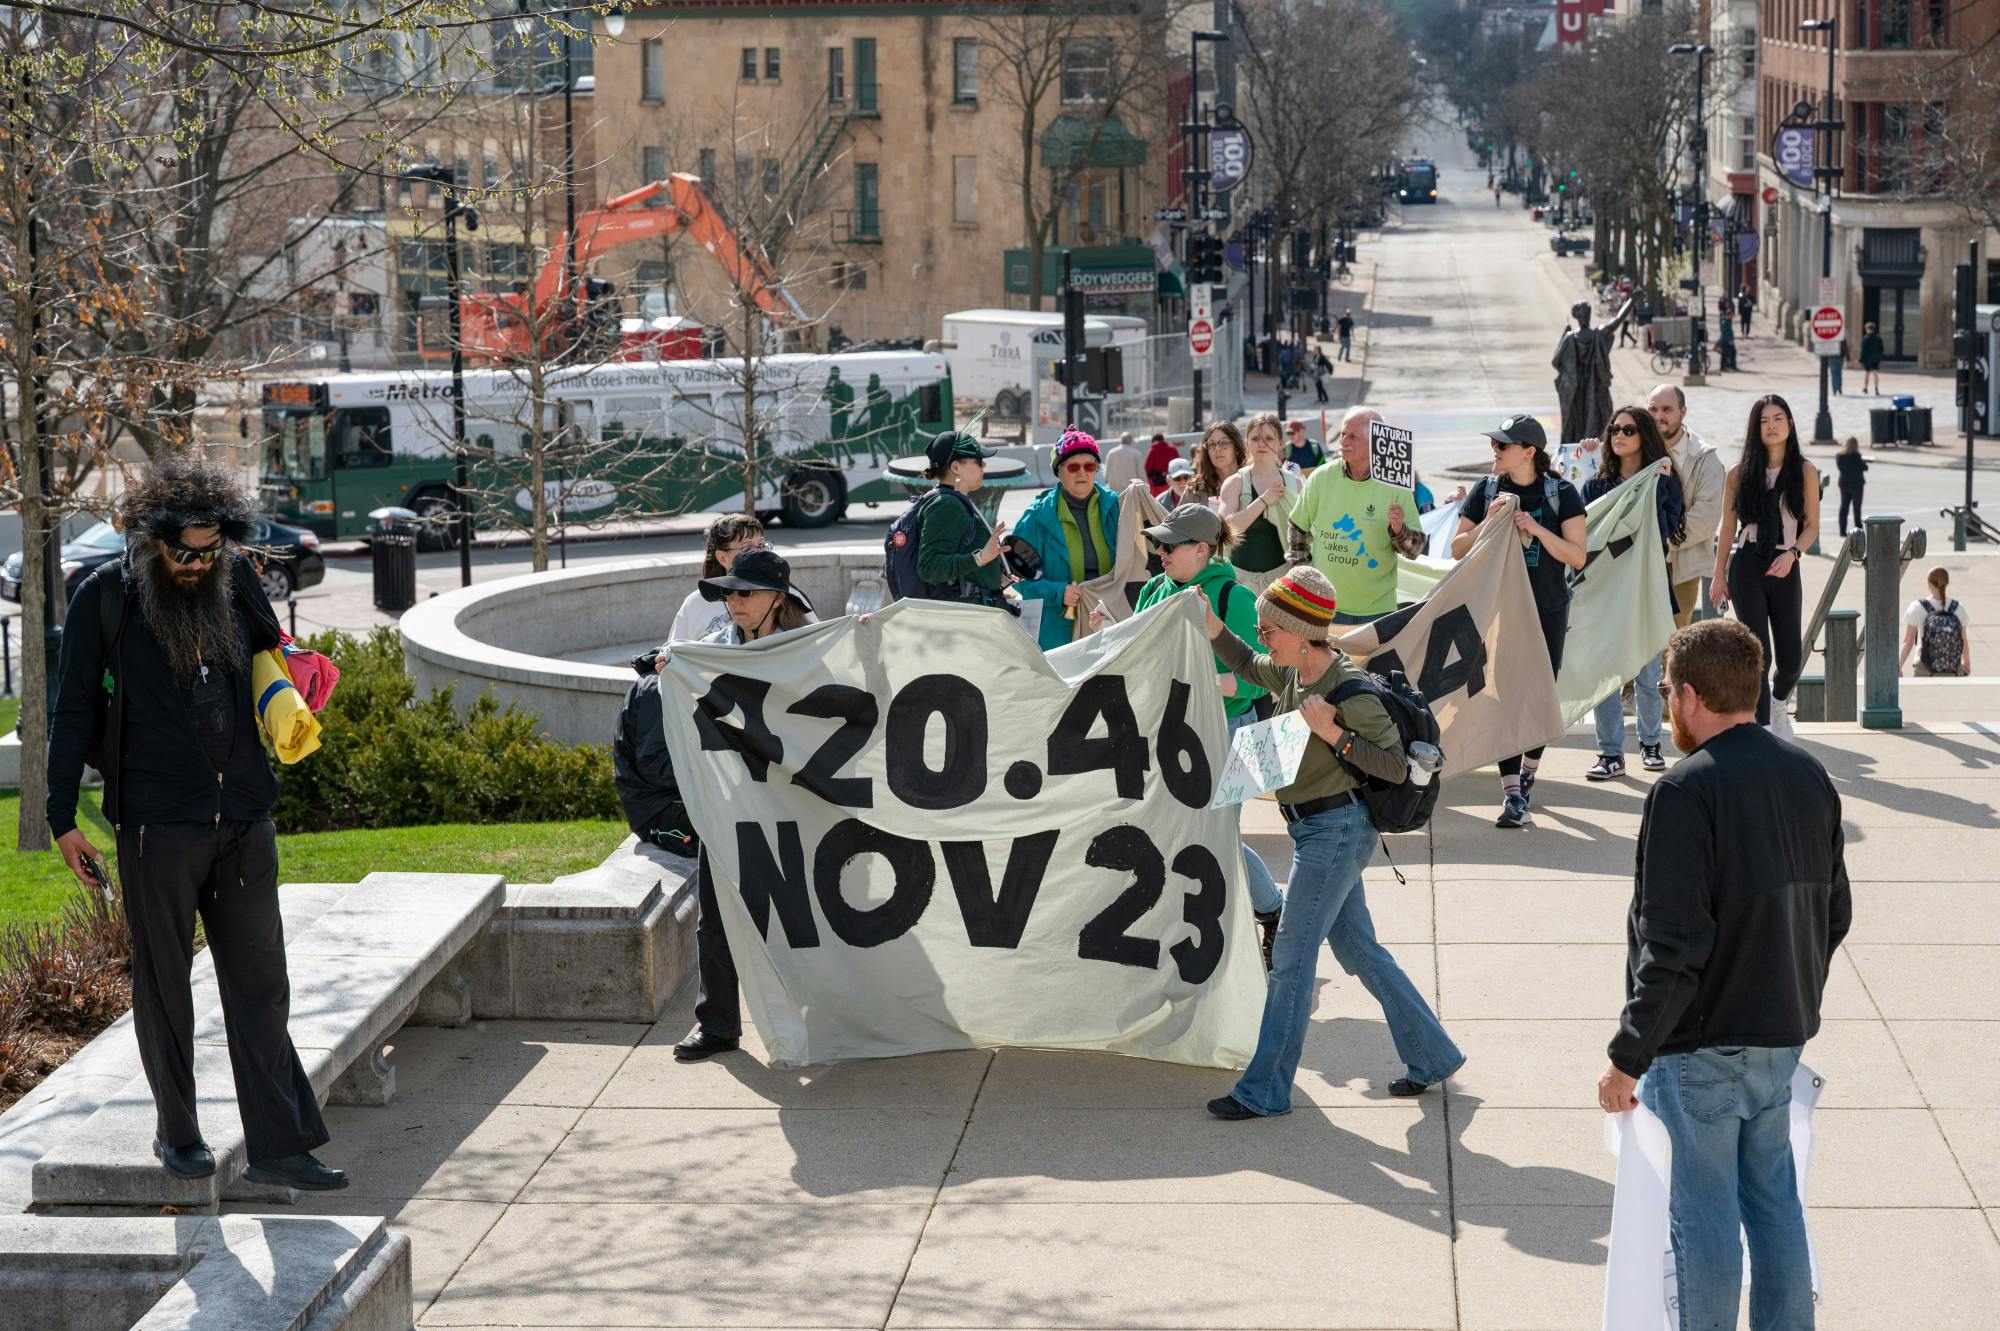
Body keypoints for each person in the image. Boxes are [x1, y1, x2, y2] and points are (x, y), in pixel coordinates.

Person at [47, 454, 345, 1192]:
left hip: (242, 812)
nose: (197, 565)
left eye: (211, 551)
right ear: (153, 540)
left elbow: (273, 656)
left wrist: (298, 681)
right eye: (185, 552)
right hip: (156, 824)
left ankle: (281, 1145)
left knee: (261, 983)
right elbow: (72, 708)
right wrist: (62, 816)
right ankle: (178, 1133)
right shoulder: (104, 598)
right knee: (165, 987)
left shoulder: (234, 579)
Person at [1597, 617, 1849, 1331]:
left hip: (1704, 1047)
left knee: (1705, 1222)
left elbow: (1672, 944)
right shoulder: (1808, 773)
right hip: (1781, 1036)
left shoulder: (1685, 790)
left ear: (1688, 695)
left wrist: (1626, 1056)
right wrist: (1792, 990)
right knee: (1775, 1209)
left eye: (1667, 692)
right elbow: (1834, 912)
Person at [1202, 566, 1464, 1118]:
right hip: (1313, 829)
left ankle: (1265, 1091)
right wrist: (1213, 628)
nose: (1262, 636)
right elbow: (1247, 665)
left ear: (1301, 632)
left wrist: (1334, 734)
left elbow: (1395, 766)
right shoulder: (1296, 672)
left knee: (1291, 960)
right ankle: (1433, 1056)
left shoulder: (1349, 691)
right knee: (1359, 950)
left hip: (1336, 832)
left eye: (1269, 628)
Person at [668, 547, 816, 1062]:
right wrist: (668, 665)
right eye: (728, 593)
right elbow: (680, 673)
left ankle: (821, 1018)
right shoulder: (713, 648)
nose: (734, 602)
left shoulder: (808, 645)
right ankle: (717, 1025)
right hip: (728, 802)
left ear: (778, 597)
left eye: (746, 593)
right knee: (715, 916)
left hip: (795, 804)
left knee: (806, 913)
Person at [1124, 505, 1286, 965]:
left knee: (1218, 837)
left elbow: (1263, 678)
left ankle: (1273, 912)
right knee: (1179, 834)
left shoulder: (1234, 597)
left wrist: (1208, 683)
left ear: (1200, 549)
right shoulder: (1155, 589)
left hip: (1230, 731)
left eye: (1169, 545)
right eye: (1158, 544)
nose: (1160, 552)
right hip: (1170, 729)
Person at [1453, 414, 1588, 828]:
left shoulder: (1561, 493)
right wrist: (1489, 523)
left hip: (1547, 608)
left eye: (1503, 445)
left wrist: (1535, 529)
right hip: (1499, 609)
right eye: (1494, 443)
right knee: (1503, 697)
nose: (1494, 450)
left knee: (1539, 697)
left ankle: (1528, 773)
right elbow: (1457, 548)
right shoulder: (1486, 490)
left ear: (1529, 452)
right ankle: (1513, 793)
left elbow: (1577, 556)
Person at [1577, 407, 1685, 780]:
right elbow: (1586, 533)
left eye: (1628, 429)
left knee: (1647, 673)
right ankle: (1610, 753)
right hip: (1606, 590)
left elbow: (1662, 532)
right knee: (1606, 676)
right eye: (1614, 429)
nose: (1619, 435)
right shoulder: (1596, 485)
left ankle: (1651, 744)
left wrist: (1658, 485)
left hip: (1645, 586)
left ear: (1644, 436)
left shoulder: (1663, 479)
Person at [1712, 394, 1819, 736]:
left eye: (1778, 418)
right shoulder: (1738, 473)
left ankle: (1778, 703)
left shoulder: (1804, 471)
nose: (1771, 426)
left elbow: (1812, 526)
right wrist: (1718, 575)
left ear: (1790, 424)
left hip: (1786, 563)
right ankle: (1763, 732)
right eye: (1764, 421)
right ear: (1755, 428)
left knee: (1790, 659)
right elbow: (1727, 527)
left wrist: (1793, 554)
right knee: (1759, 655)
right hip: (1748, 565)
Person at [1290, 407, 1426, 624]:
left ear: (1375, 441)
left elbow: (1415, 550)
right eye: (1343, 434)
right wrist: (1303, 578)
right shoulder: (1321, 477)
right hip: (1324, 606)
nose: (1343, 441)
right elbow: (1297, 528)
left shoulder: (1395, 486)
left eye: (1353, 436)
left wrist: (1399, 529)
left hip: (1377, 610)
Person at [1011, 426, 1121, 651]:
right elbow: (1017, 577)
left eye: (1089, 466)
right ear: (1059, 471)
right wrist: (1058, 592)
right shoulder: (1035, 518)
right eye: (1073, 467)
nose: (1082, 473)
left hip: (1110, 624)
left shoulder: (1117, 507)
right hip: (1058, 631)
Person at [1647, 384, 1725, 629]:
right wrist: (1590, 450)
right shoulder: (1634, 446)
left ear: (1683, 412)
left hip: (1681, 564)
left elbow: (1706, 517)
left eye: (1667, 409)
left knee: (1675, 636)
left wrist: (1661, 541)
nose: (1659, 416)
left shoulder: (1705, 458)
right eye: (1653, 409)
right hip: (1639, 561)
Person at [911, 430, 1012, 607]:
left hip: (972, 611)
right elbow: (929, 567)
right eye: (978, 461)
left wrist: (993, 570)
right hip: (965, 616)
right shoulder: (946, 505)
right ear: (956, 467)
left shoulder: (953, 501)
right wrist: (979, 558)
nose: (984, 465)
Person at [1220, 412, 1304, 595]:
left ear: (1280, 443)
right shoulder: (1235, 483)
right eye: (1255, 439)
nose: (1262, 444)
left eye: (1269, 438)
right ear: (1246, 443)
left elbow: (1306, 531)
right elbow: (1226, 529)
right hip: (1240, 580)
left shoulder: (1294, 483)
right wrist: (1263, 500)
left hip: (1283, 579)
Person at [670, 514, 765, 642]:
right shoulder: (696, 604)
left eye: (762, 545)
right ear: (723, 558)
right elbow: (674, 650)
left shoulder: (779, 595)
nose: (759, 554)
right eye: (747, 548)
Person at [1901, 566, 1972, 676]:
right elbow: (1963, 640)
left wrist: (1898, 666)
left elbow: (1908, 641)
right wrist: (1967, 664)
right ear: (1947, 584)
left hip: (1924, 668)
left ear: (1929, 584)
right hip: (1952, 668)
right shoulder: (1958, 608)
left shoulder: (1917, 607)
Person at [1186, 420, 1247, 510]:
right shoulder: (1196, 489)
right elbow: (1177, 518)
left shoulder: (1252, 481)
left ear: (1236, 448)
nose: (1217, 449)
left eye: (1224, 443)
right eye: (1212, 444)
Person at [1835, 435, 1868, 536]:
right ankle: (1858, 529)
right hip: (1857, 485)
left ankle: (1842, 530)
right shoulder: (1857, 456)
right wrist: (1863, 462)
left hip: (1844, 484)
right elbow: (1864, 467)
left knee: (1844, 507)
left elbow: (1840, 468)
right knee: (1856, 508)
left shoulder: (1839, 456)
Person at [1860, 321, 1885, 394]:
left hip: (1868, 358)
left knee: (1867, 373)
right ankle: (1876, 388)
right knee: (1875, 373)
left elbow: (1863, 350)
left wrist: (1862, 359)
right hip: (1876, 358)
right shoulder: (1878, 338)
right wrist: (1879, 356)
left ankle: (1865, 388)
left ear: (1868, 329)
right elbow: (1881, 348)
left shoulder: (1866, 338)